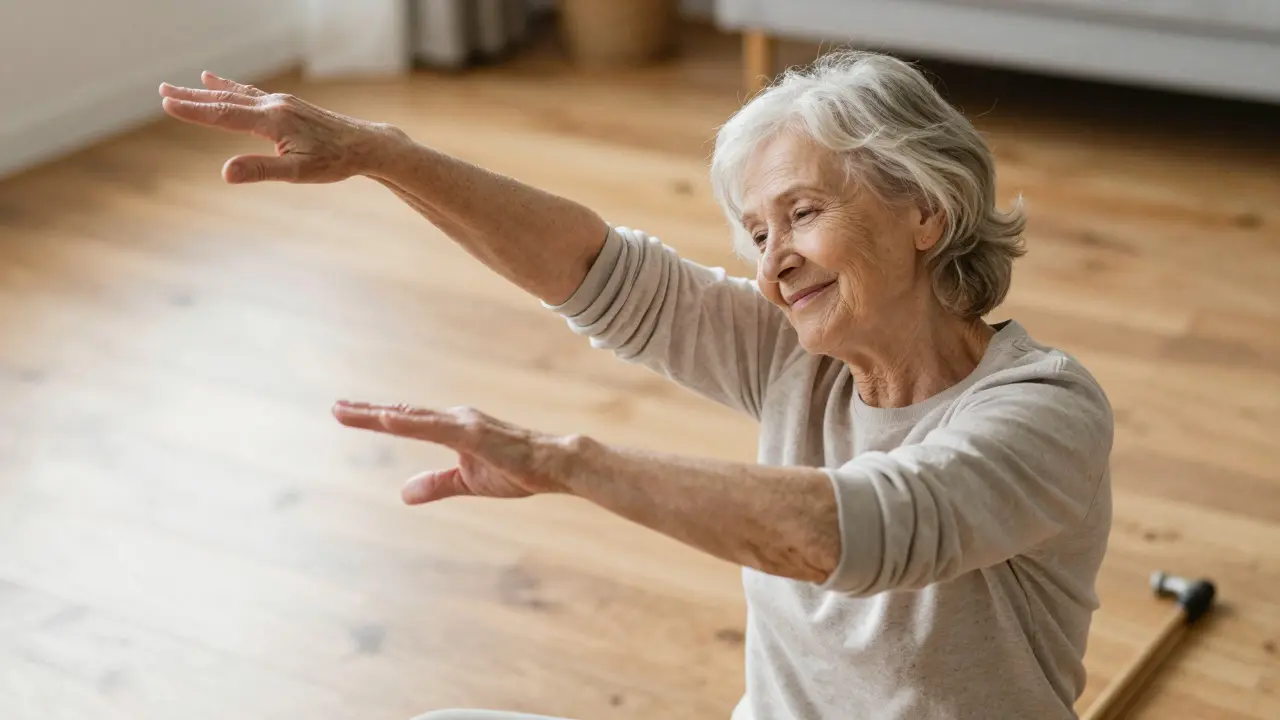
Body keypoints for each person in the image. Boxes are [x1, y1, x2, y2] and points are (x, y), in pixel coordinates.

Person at [159, 50, 1113, 720]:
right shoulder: (799, 354)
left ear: (926, 212)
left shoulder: (1044, 412)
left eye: (804, 212)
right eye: (756, 233)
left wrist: (564, 463)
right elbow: (595, 270)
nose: (774, 261)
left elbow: (844, 531)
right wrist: (385, 154)